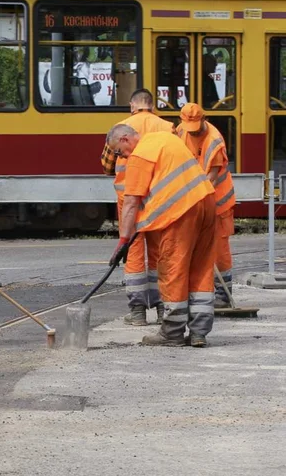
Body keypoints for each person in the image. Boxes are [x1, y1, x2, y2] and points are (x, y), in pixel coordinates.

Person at [107, 125, 216, 347]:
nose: (121, 157)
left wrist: (123, 241)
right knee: (201, 268)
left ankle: (172, 333)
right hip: (206, 202)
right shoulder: (166, 139)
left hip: (181, 211)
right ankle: (199, 332)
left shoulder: (139, 155)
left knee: (173, 268)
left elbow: (130, 202)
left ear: (126, 139)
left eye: (118, 152)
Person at [101, 88, 175, 326]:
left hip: (128, 199)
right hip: (158, 200)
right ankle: (163, 308)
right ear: (153, 106)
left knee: (132, 253)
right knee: (159, 253)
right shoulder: (166, 127)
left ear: (132, 106)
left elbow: (106, 165)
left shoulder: (120, 127)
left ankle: (137, 313)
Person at [177, 103, 236, 308]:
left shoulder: (214, 141)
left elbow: (211, 177)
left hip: (218, 201)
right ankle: (202, 290)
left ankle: (223, 294)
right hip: (196, 197)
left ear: (204, 119)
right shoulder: (181, 132)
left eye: (196, 127)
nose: (193, 133)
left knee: (219, 248)